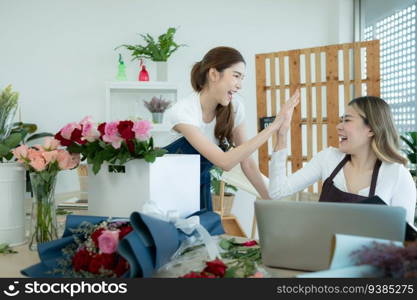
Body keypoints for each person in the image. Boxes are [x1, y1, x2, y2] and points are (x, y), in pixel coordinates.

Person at [163, 46, 300, 211]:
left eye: (242, 78)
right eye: (236, 76)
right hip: (167, 188)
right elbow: (224, 162)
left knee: (205, 235)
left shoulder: (235, 108)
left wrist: (273, 203)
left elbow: (247, 163)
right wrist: (273, 127)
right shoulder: (183, 111)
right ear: (213, 74)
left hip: (200, 185)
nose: (240, 85)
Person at [268, 95, 416, 223]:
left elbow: (405, 240)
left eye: (347, 120)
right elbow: (277, 192)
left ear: (371, 128)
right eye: (341, 120)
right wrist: (282, 135)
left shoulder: (397, 175)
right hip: (323, 253)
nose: (339, 126)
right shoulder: (328, 159)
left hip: (372, 256)